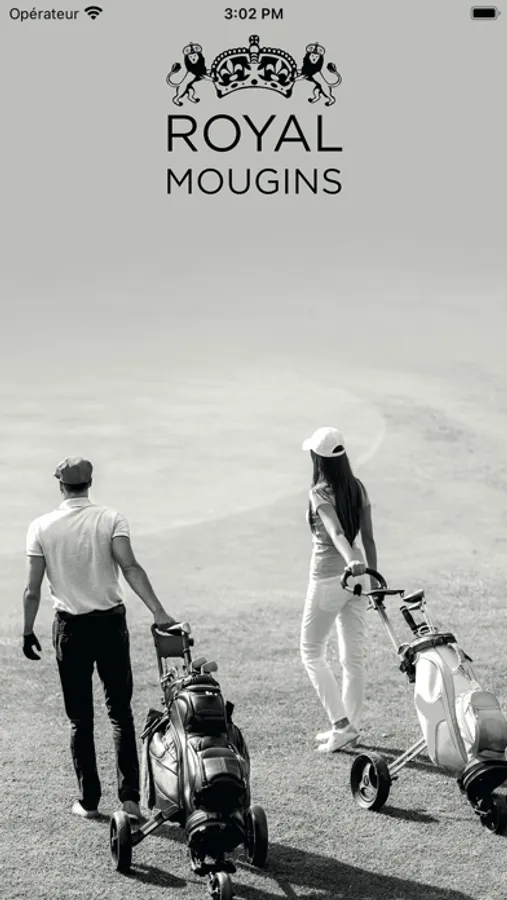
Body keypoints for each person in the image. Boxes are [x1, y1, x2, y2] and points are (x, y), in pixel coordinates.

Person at [21, 456, 176, 821]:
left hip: (70, 629)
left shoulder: (40, 526)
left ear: (61, 485)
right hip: (110, 625)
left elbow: (32, 590)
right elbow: (130, 567)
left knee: (80, 719)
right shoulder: (111, 518)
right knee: (120, 713)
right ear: (89, 483)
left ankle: (89, 802)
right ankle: (130, 801)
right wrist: (158, 611)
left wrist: (27, 631)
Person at [300, 427, 378, 753]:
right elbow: (368, 539)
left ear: (318, 458)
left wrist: (351, 561)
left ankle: (342, 725)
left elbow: (335, 533)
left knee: (311, 652)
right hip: (358, 580)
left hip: (330, 579)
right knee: (352, 657)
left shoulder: (319, 491)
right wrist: (371, 577)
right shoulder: (357, 487)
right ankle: (350, 726)